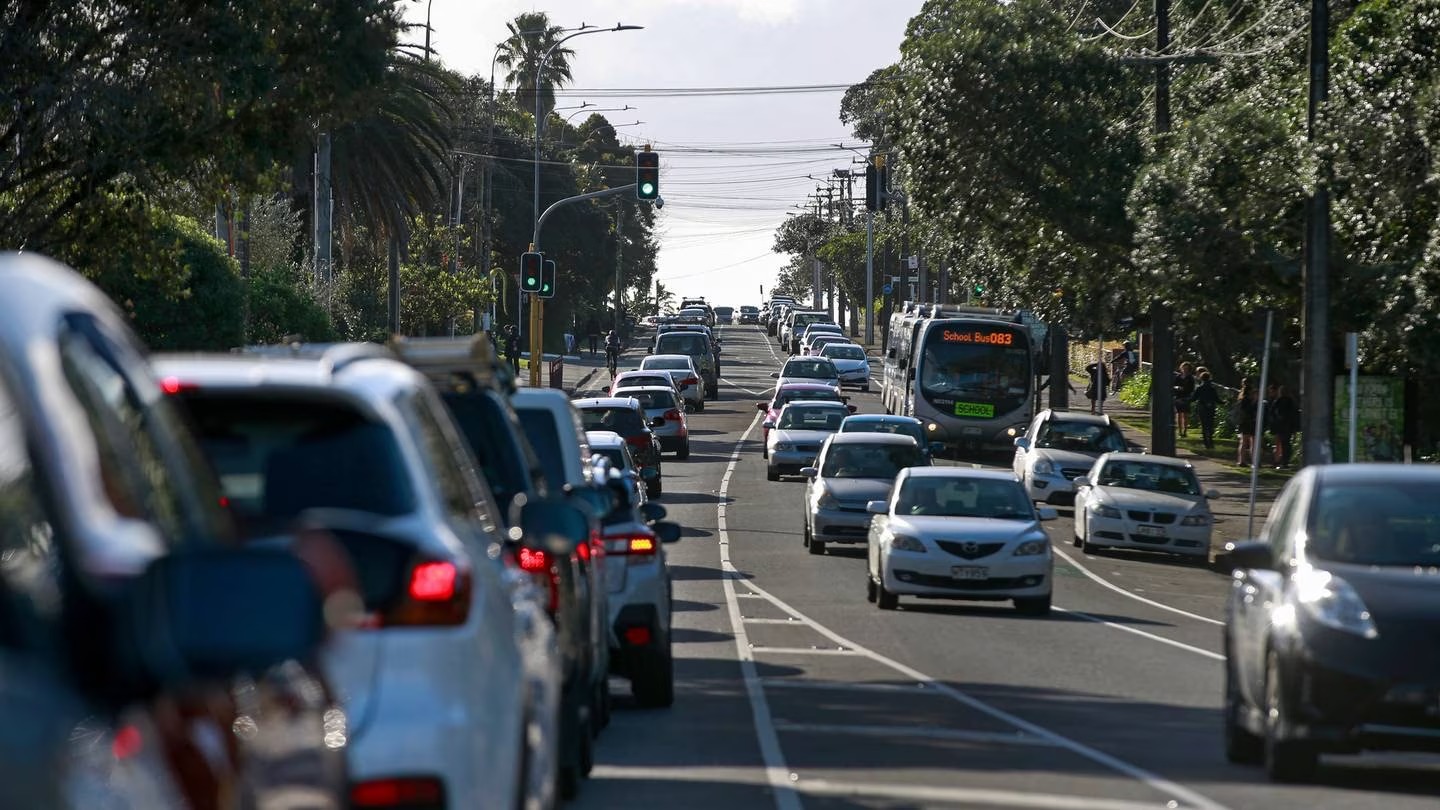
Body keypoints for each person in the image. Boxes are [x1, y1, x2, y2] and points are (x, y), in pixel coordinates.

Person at [1267, 383, 1299, 468]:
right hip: (1288, 427)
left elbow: (1272, 413)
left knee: (1278, 444)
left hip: (1280, 426)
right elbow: (1294, 415)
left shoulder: (1278, 401)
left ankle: (1277, 461)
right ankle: (1285, 462)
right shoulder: (1291, 402)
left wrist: (1274, 423)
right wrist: (1294, 427)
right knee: (1286, 445)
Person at [1192, 369, 1221, 450]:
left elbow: (1194, 398)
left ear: (1201, 378)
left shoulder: (1199, 388)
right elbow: (1217, 399)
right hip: (1211, 407)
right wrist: (1223, 402)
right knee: (1210, 424)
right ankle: (1211, 441)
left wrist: (1186, 400)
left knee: (1204, 425)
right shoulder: (1212, 388)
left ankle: (1206, 443)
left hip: (1202, 407)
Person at [1234, 380, 1258, 466]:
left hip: (1244, 422)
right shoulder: (1247, 400)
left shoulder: (1242, 399)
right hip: (1248, 422)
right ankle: (1247, 460)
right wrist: (1254, 401)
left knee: (1244, 442)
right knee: (1250, 442)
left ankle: (1243, 460)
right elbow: (1249, 411)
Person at [1173, 362, 1196, 437]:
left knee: (1185, 415)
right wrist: (1177, 388)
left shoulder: (1190, 378)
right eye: (1184, 368)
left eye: (1187, 368)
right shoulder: (1178, 377)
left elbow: (1192, 388)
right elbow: (1174, 385)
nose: (1185, 370)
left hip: (1186, 397)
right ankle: (1179, 431)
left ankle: (1185, 431)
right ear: (1181, 368)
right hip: (1178, 396)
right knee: (1178, 414)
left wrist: (1185, 389)